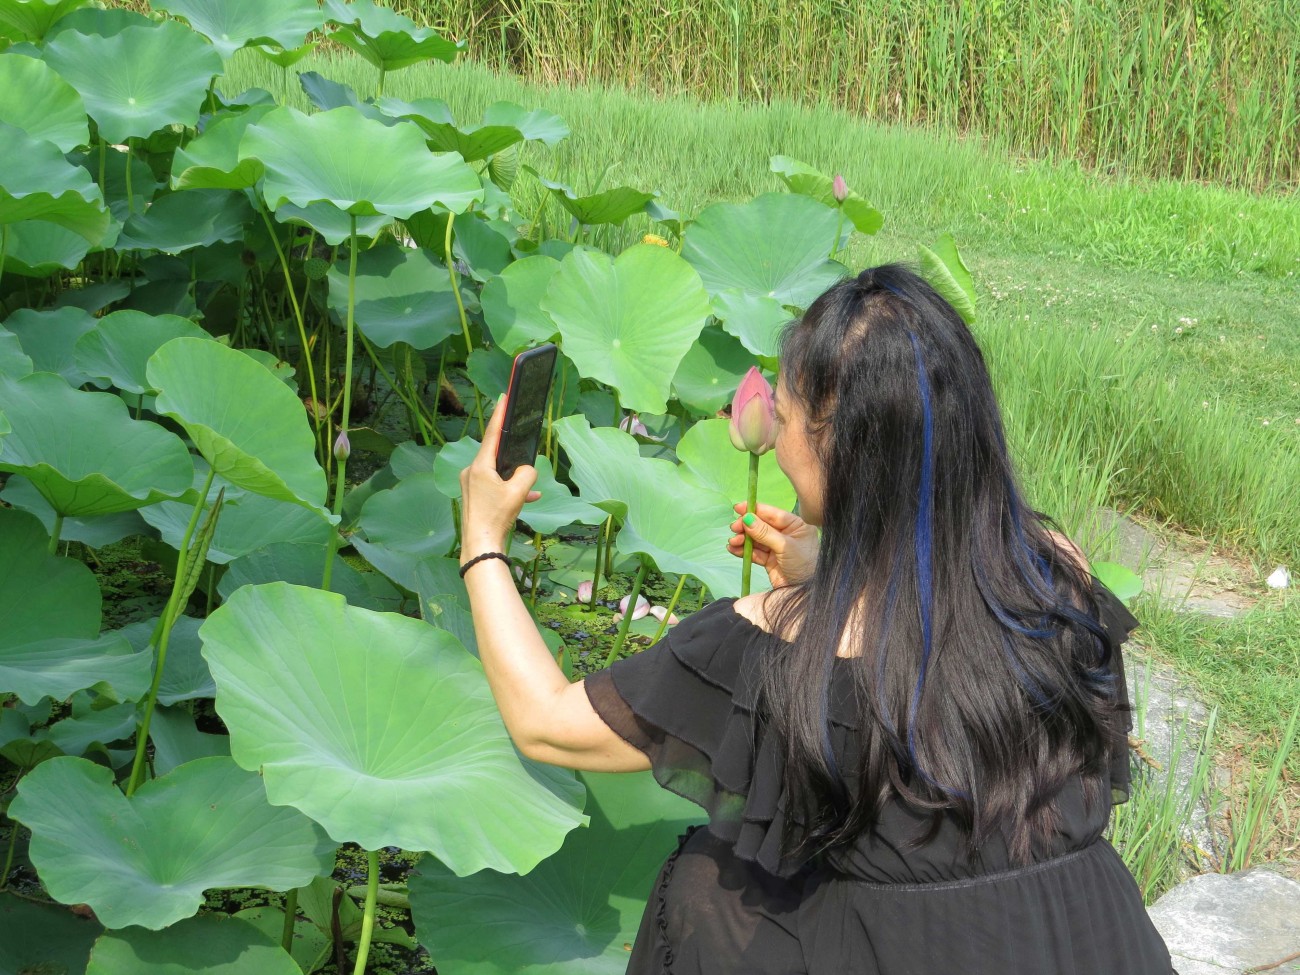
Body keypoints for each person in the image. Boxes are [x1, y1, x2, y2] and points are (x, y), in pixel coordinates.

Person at [458, 264, 1174, 974]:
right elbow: (936, 653)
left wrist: (482, 541)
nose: (777, 437)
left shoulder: (774, 642)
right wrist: (832, 575)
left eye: (788, 413)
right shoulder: (1055, 574)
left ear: (838, 443)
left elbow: (544, 722)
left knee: (704, 883)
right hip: (1092, 943)